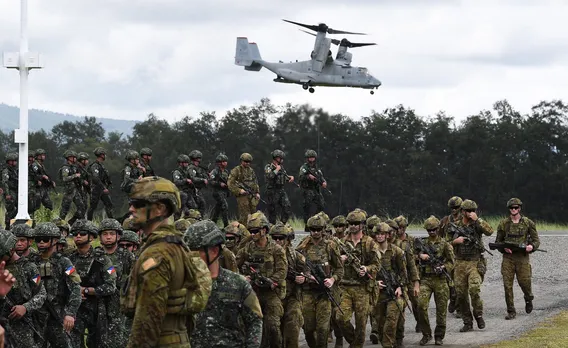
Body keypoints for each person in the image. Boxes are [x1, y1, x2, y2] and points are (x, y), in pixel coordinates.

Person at [120, 176, 212, 348]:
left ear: (160, 209)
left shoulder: (158, 253)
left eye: (138, 203)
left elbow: (147, 322)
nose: (131, 208)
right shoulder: (175, 244)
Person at [185, 220, 263, 348]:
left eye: (197, 251)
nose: (191, 257)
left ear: (214, 251)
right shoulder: (184, 284)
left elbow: (254, 320)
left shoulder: (238, 284)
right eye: (188, 251)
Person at [236, 211, 287, 348]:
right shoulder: (248, 248)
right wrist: (243, 277)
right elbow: (235, 264)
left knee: (272, 326)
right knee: (252, 328)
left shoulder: (276, 249)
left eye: (255, 231)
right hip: (254, 293)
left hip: (272, 293)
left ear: (264, 230)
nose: (252, 234)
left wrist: (272, 281)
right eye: (250, 231)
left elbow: (282, 271)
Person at [29, 222, 81, 348]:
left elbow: (75, 287)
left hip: (57, 315)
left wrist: (70, 313)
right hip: (36, 316)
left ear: (55, 240)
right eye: (38, 239)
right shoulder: (31, 262)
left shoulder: (64, 263)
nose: (41, 242)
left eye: (45, 239)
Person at [296, 213, 344, 348]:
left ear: (323, 229)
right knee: (308, 328)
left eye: (318, 229)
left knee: (323, 329)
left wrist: (332, 280)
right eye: (312, 229)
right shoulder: (303, 246)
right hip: (308, 292)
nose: (315, 232)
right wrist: (305, 275)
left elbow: (340, 269)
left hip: (325, 294)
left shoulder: (331, 246)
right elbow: (295, 266)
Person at [337, 210, 381, 348]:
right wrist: (340, 260)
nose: (353, 226)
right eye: (350, 223)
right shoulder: (341, 243)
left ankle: (356, 345)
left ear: (362, 225)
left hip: (362, 288)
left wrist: (366, 269)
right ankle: (354, 343)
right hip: (344, 286)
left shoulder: (370, 243)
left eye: (356, 223)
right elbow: (331, 264)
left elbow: (377, 265)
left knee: (361, 324)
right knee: (340, 317)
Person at [451, 199, 493, 332]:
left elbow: (490, 231)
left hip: (475, 262)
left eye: (473, 211)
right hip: (460, 263)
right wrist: (455, 241)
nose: (470, 213)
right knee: (461, 294)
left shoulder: (476, 224)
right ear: (462, 211)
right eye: (468, 211)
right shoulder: (454, 225)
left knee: (474, 290)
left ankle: (478, 315)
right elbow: (443, 244)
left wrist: (478, 220)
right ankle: (467, 322)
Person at [495, 198, 540, 320]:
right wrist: (504, 249)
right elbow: (498, 242)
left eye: (516, 207)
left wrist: (532, 246)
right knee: (507, 285)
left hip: (522, 258)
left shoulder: (528, 223)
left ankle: (528, 298)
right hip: (508, 258)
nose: (513, 210)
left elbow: (536, 240)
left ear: (519, 208)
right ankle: (511, 310)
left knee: (525, 283)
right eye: (511, 208)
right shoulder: (503, 224)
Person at [416, 216, 455, 346]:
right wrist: (420, 256)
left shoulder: (445, 244)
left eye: (433, 229)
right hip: (426, 279)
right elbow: (411, 256)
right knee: (421, 305)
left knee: (441, 309)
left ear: (438, 229)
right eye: (429, 230)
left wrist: (443, 267)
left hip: (440, 280)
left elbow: (451, 262)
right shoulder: (422, 243)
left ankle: (439, 335)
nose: (431, 232)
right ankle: (426, 334)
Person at [227, 153, 261, 225]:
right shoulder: (236, 170)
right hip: (242, 196)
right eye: (245, 161)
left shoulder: (251, 171)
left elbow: (255, 182)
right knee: (245, 216)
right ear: (241, 161)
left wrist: (257, 192)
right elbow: (230, 183)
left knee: (253, 215)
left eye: (249, 162)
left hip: (251, 196)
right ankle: (243, 232)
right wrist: (239, 191)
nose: (247, 163)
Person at [298, 150, 328, 231]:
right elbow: (301, 177)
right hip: (307, 190)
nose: (311, 159)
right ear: (307, 158)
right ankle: (307, 225)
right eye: (310, 158)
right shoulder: (304, 168)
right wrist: (308, 176)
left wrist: (324, 182)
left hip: (316, 190)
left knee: (321, 205)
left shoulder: (317, 168)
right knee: (308, 208)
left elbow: (321, 177)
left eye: (313, 157)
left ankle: (318, 223)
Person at [264, 150, 294, 224]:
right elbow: (269, 176)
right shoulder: (269, 167)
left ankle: (282, 224)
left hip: (281, 190)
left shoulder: (281, 168)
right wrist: (277, 169)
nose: (282, 160)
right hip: (272, 191)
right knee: (272, 210)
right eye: (280, 158)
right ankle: (272, 226)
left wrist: (290, 178)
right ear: (276, 158)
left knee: (287, 207)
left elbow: (283, 177)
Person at [87, 147, 114, 220]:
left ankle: (112, 221)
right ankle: (88, 222)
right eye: (104, 154)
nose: (105, 156)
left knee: (109, 204)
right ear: (101, 155)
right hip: (96, 189)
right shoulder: (95, 165)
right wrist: (103, 188)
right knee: (93, 206)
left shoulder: (101, 166)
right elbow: (95, 178)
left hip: (102, 189)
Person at [209, 154, 230, 227]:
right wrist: (219, 184)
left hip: (223, 192)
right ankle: (226, 225)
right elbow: (211, 181)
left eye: (226, 161)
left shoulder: (226, 172)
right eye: (224, 161)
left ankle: (212, 223)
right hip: (217, 192)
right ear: (219, 163)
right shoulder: (215, 171)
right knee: (224, 206)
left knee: (218, 208)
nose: (225, 163)